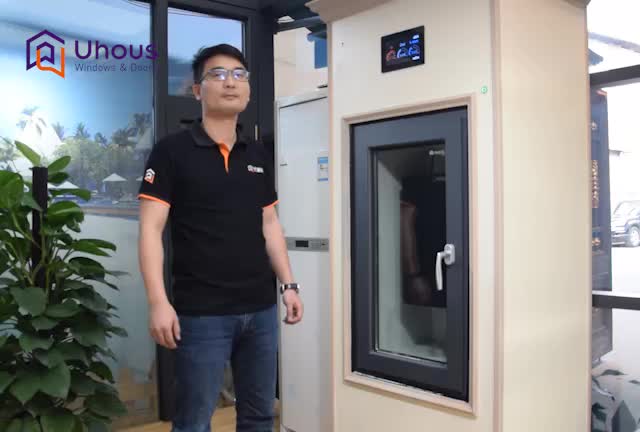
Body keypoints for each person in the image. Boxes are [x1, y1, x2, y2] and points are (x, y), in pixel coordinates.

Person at [137, 44, 304, 432]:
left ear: (248, 89)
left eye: (239, 74)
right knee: (194, 421)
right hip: (202, 313)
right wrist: (158, 302)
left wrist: (289, 285)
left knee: (259, 416)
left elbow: (270, 224)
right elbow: (150, 230)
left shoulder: (257, 154)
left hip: (261, 310)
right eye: (218, 74)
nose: (230, 82)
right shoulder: (171, 152)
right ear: (197, 90)